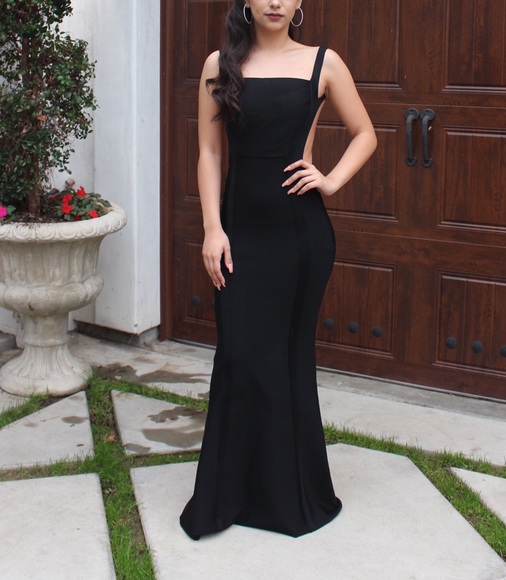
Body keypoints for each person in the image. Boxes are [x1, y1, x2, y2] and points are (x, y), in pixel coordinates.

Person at [180, 0, 377, 540]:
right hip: (239, 231)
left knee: (287, 359)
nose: (274, 2)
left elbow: (365, 133)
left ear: (298, 4)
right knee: (238, 356)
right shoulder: (219, 64)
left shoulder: (323, 63)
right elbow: (209, 153)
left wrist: (330, 180)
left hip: (299, 236)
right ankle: (229, 495)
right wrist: (213, 229)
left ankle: (290, 498)